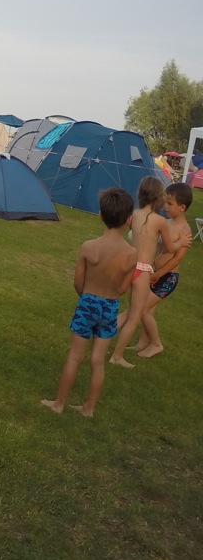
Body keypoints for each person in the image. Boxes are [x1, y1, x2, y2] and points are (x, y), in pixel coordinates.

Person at [42, 187, 136, 418]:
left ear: (101, 215)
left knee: (75, 356)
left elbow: (78, 282)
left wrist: (87, 297)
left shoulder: (89, 247)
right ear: (129, 219)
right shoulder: (132, 254)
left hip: (87, 302)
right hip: (110, 306)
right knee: (98, 361)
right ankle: (88, 408)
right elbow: (124, 288)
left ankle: (59, 404)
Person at [109, 176, 172, 368]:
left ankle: (102, 336)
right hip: (143, 271)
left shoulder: (134, 214)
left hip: (130, 267)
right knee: (134, 317)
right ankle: (117, 356)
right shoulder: (160, 221)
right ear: (159, 196)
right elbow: (169, 248)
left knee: (130, 311)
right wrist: (181, 243)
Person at [130, 182, 193, 359]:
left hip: (167, 278)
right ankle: (142, 343)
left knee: (142, 308)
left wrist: (159, 274)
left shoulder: (185, 231)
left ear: (182, 207)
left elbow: (177, 259)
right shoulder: (165, 223)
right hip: (153, 273)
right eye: (165, 201)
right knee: (148, 310)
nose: (165, 206)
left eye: (170, 203)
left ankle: (156, 344)